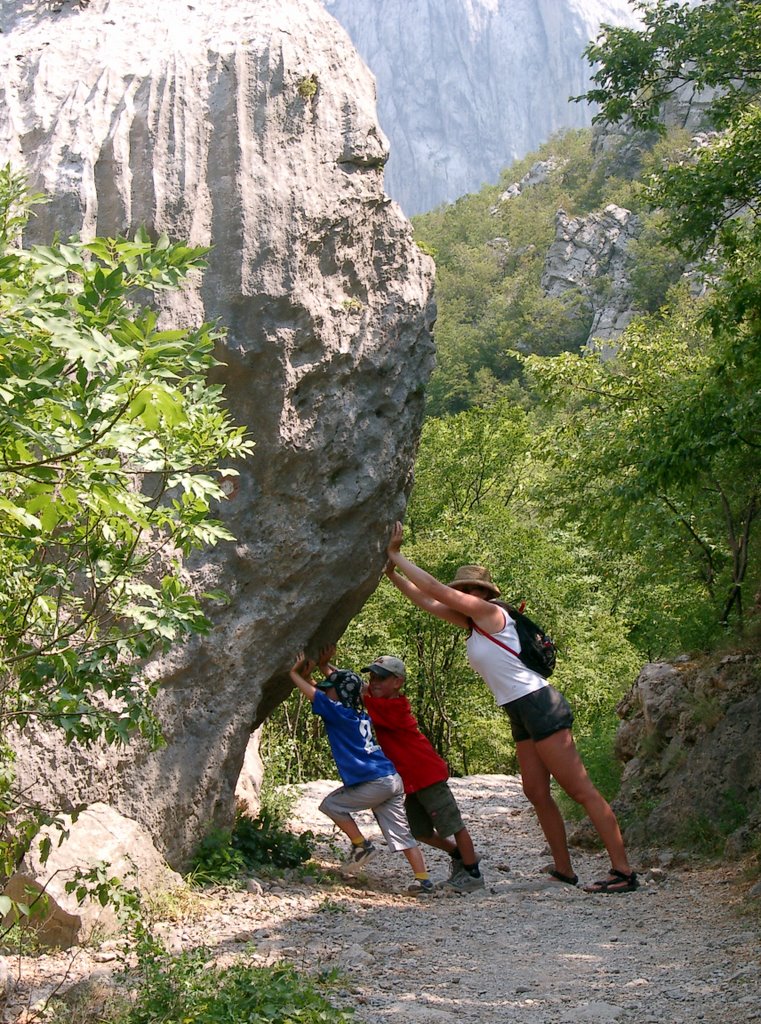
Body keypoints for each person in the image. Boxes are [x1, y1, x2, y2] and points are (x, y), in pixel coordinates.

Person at [384, 521, 639, 895]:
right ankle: (564, 871)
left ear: (478, 592)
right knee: (536, 792)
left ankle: (623, 871)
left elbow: (435, 589)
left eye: (464, 590)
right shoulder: (473, 625)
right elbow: (426, 599)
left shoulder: (491, 614)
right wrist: (391, 573)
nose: (458, 594)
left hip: (539, 704)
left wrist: (396, 554)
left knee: (580, 790)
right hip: (518, 710)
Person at [318, 647, 484, 894]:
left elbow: (352, 689)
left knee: (453, 824)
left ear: (398, 682)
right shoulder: (380, 700)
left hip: (426, 774)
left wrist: (324, 671)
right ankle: (460, 855)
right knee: (421, 832)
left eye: (381, 678)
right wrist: (326, 667)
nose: (373, 683)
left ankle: (472, 873)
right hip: (410, 781)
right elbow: (353, 685)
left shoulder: (389, 708)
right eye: (372, 677)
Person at [288, 653, 435, 895]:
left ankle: (361, 845)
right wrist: (317, 672)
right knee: (401, 833)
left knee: (331, 805)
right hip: (391, 778)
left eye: (330, 690)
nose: (326, 692)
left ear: (340, 694)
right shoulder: (357, 713)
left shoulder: (336, 712)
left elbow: (316, 695)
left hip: (375, 782)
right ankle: (423, 880)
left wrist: (294, 673)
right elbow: (332, 691)